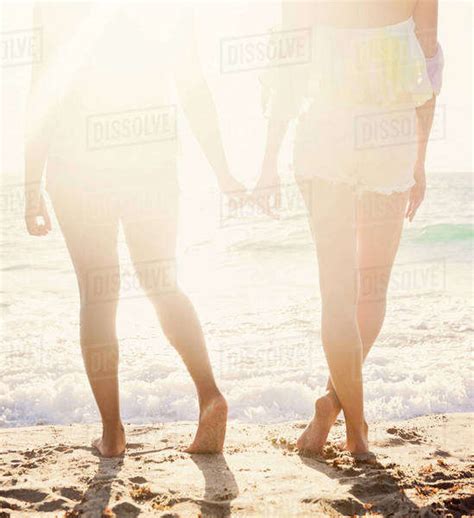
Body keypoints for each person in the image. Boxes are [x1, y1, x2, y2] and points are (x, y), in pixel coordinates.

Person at [25, 2, 244, 457]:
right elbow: (193, 86)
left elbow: (43, 91)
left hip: (79, 164)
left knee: (97, 293)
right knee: (162, 282)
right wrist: (222, 170)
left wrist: (31, 185)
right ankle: (209, 395)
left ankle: (112, 435)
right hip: (152, 162)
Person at [255, 0, 443, 454]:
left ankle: (348, 422)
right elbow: (429, 60)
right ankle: (342, 415)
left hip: (327, 133)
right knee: (372, 289)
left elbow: (288, 63)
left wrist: (268, 161)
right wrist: (419, 157)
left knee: (337, 294)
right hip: (390, 133)